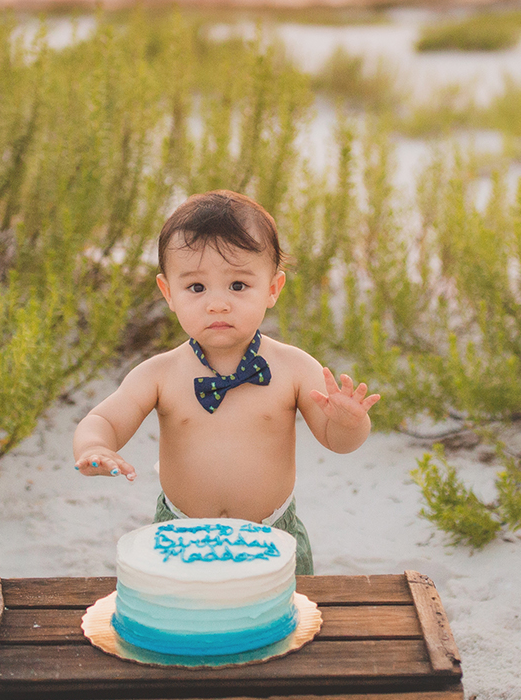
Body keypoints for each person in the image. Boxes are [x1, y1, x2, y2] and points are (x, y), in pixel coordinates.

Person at [70, 190, 380, 575]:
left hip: (274, 537)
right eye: (196, 288)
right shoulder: (160, 373)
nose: (217, 303)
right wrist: (95, 446)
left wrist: (349, 423)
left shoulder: (294, 368)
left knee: (282, 626)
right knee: (183, 627)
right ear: (169, 293)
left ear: (272, 289)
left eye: (237, 285)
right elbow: (106, 419)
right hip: (180, 536)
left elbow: (338, 442)